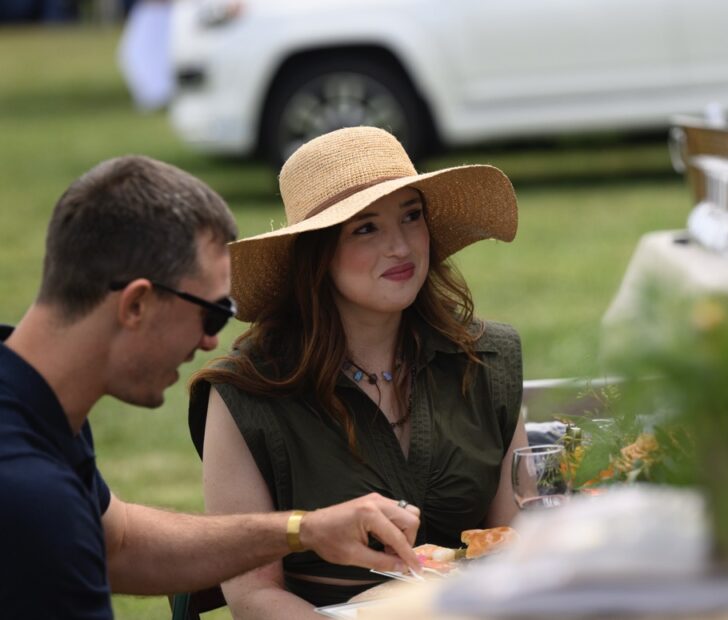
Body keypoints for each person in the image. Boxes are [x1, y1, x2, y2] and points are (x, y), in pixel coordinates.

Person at [0, 155, 422, 619]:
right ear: (137, 304)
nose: (210, 341)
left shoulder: (31, 400)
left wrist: (305, 529)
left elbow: (119, 543)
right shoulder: (30, 493)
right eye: (212, 312)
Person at [188, 126, 526, 614]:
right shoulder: (246, 394)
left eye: (411, 217)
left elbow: (516, 546)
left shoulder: (485, 359)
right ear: (316, 254)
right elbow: (253, 596)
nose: (401, 247)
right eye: (366, 228)